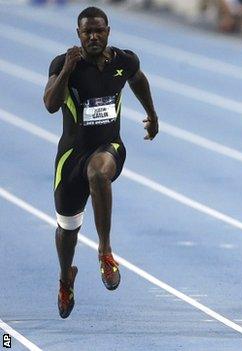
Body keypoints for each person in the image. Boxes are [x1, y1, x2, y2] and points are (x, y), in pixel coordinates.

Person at [43, 6, 159, 318]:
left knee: (98, 173)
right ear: (78, 35)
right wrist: (67, 70)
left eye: (99, 31)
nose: (93, 36)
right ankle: (66, 278)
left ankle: (105, 251)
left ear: (108, 31)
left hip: (109, 146)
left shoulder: (124, 61)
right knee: (67, 229)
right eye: (87, 32)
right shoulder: (63, 63)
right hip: (71, 157)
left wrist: (152, 113)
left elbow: (138, 80)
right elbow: (50, 105)